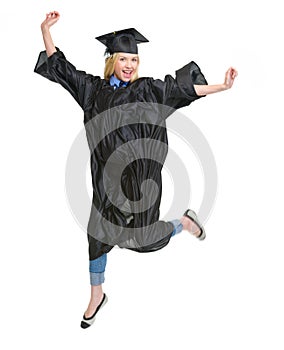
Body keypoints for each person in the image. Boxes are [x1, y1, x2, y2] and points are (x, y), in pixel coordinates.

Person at [35, 11, 238, 329]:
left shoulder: (147, 91)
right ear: (112, 59)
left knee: (141, 239)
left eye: (133, 59)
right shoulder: (92, 91)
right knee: (96, 233)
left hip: (140, 185)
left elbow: (181, 91)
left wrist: (220, 87)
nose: (129, 65)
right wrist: (45, 30)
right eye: (123, 58)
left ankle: (182, 223)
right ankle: (96, 294)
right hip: (105, 182)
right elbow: (61, 68)